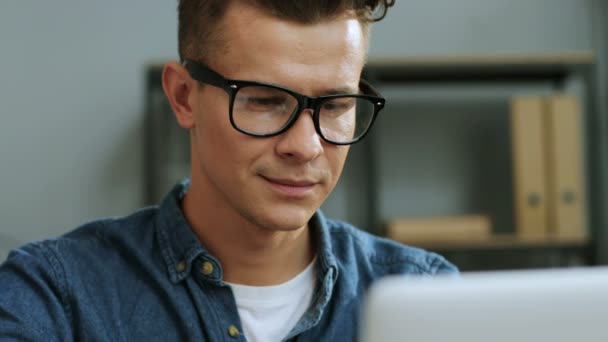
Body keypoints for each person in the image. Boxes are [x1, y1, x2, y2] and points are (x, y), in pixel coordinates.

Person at [0, 0, 457, 341]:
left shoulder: (427, 297)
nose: (305, 146)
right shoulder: (54, 299)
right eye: (264, 101)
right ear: (183, 97)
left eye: (336, 105)